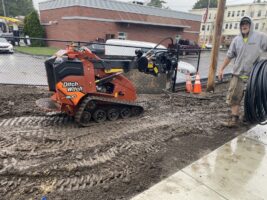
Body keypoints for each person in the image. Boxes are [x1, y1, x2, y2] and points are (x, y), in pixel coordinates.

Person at [218, 16, 267, 127]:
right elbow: (229, 56)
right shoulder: (236, 40)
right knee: (234, 96)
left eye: (246, 24)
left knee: (253, 97)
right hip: (238, 74)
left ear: (251, 25)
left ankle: (249, 116)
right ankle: (234, 119)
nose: (244, 26)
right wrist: (221, 69)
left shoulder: (260, 37)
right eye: (242, 24)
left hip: (254, 75)